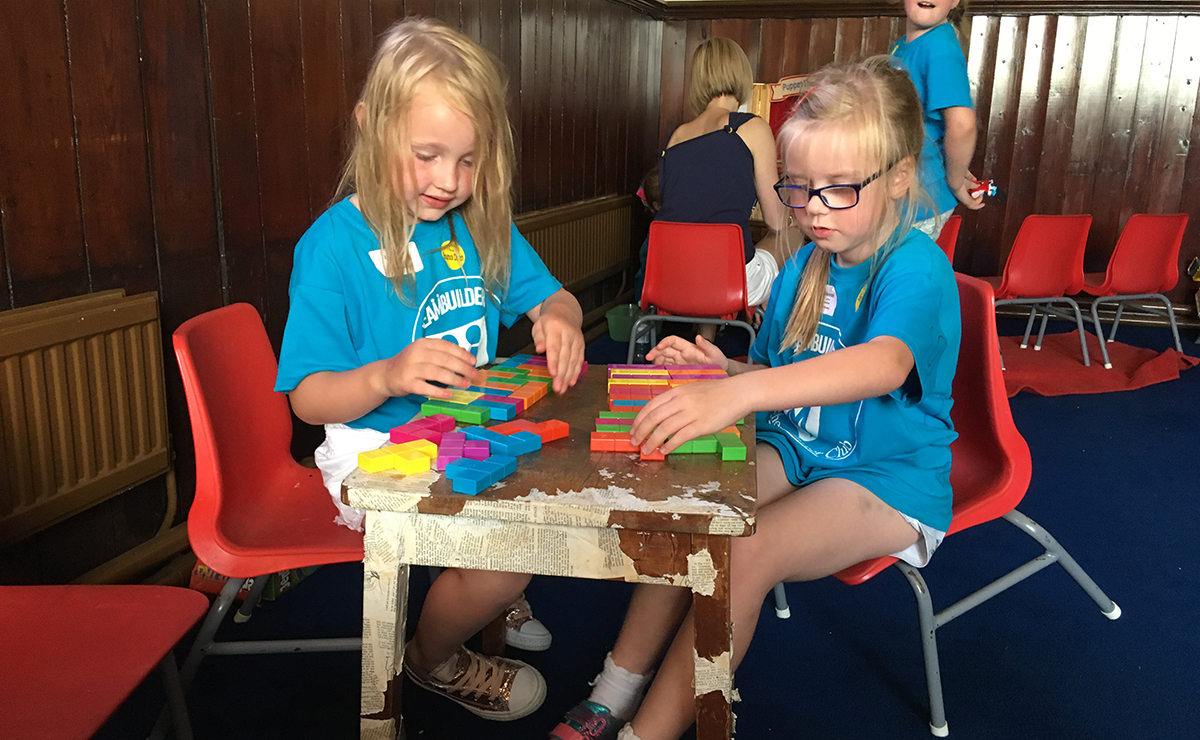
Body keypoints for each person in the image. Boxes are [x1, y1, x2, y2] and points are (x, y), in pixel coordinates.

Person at [550, 56, 960, 740]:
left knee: (746, 550)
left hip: (887, 480)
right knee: (692, 512)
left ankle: (645, 731)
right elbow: (774, 371)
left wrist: (746, 393)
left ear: (899, 178)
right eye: (798, 190)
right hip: (801, 452)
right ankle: (616, 685)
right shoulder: (805, 263)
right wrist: (722, 370)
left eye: (838, 189)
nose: (812, 210)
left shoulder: (915, 264)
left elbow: (884, 364)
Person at [274, 18, 585, 721]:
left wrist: (559, 316)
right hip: (376, 452)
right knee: (519, 549)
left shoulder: (477, 223)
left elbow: (551, 293)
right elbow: (309, 400)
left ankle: (485, 591)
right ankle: (432, 658)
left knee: (555, 489)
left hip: (468, 429)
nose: (449, 182)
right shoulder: (332, 249)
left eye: (468, 160)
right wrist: (386, 376)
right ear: (368, 126)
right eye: (427, 155)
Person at [634, 37, 787, 326]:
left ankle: (706, 343)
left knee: (707, 242)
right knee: (787, 231)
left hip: (669, 279)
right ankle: (774, 325)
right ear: (740, 74)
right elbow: (776, 220)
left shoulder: (676, 137)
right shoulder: (752, 128)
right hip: (730, 284)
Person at [891, 0, 984, 239]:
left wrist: (954, 180)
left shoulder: (940, 46)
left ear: (955, 1)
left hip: (920, 199)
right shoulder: (903, 47)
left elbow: (962, 124)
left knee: (897, 273)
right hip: (901, 194)